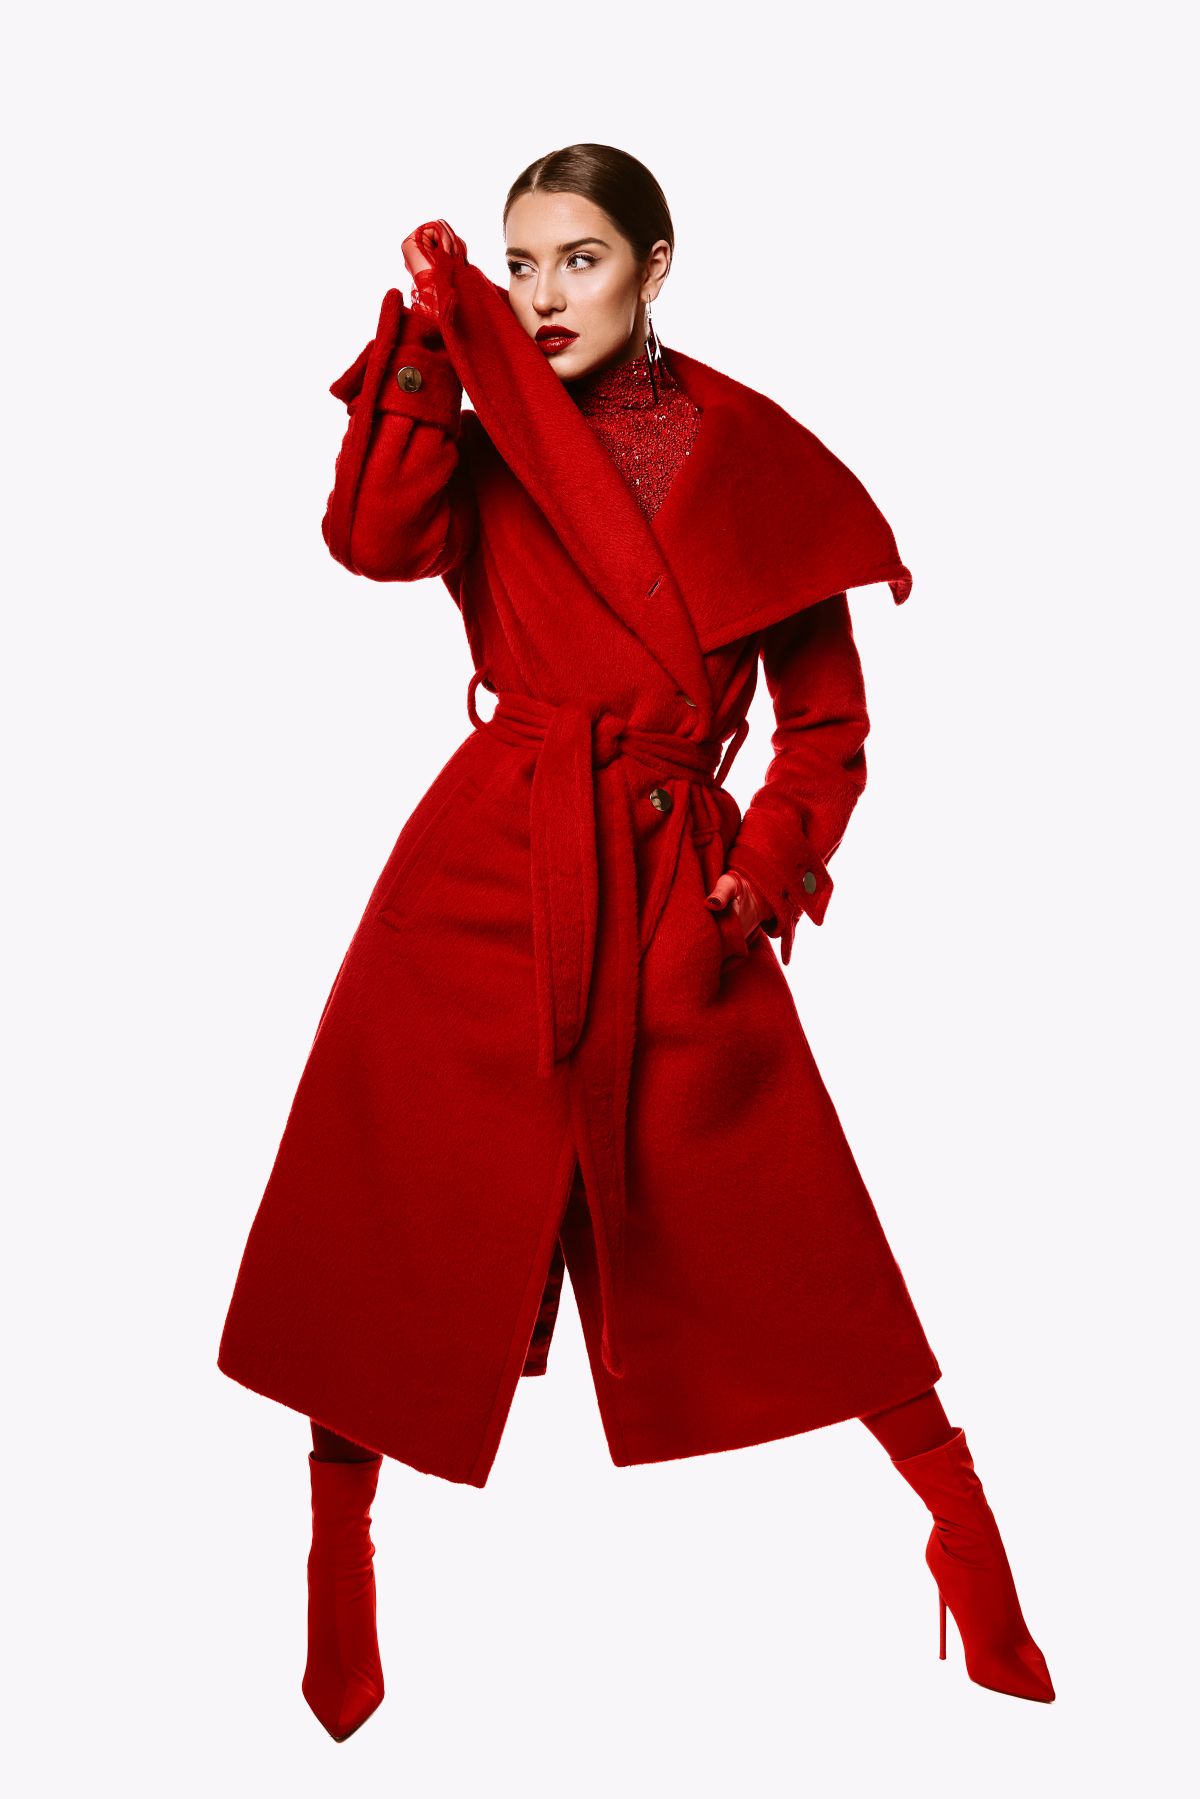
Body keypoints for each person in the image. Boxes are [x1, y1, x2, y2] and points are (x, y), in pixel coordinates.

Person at [217, 144, 1055, 1740]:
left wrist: (762, 873)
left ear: (655, 266)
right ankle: (339, 1551)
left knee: (789, 1219)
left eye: (581, 260)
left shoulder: (756, 459)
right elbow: (373, 543)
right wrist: (423, 350)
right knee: (393, 1222)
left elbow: (826, 727)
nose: (545, 296)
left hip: (677, 886)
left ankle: (961, 1524)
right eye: (521, 264)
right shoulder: (485, 439)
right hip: (487, 861)